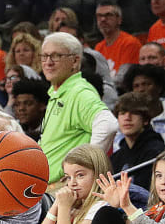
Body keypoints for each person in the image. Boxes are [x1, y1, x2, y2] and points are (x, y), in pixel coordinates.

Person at [39, 32, 118, 184]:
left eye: (55, 56)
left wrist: (84, 168)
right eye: (44, 56)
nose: (48, 62)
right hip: (50, 189)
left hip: (64, 190)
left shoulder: (79, 91)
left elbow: (108, 125)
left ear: (75, 61)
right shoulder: (58, 93)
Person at [111, 92, 165, 191]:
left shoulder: (157, 152)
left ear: (145, 120)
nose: (127, 118)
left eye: (134, 113)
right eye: (122, 113)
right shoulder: (116, 157)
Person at [121, 64, 165, 148]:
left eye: (146, 84)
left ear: (159, 87)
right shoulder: (127, 119)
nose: (141, 89)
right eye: (136, 86)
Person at [94, 3, 141, 79]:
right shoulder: (98, 47)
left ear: (119, 20)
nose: (103, 19)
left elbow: (124, 78)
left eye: (108, 15)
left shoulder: (129, 43)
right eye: (99, 16)